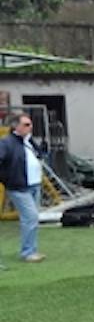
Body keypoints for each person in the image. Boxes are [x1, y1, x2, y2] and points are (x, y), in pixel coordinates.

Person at [0, 112, 44, 262]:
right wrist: (6, 179)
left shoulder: (28, 141)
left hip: (34, 184)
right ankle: (27, 252)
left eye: (30, 124)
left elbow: (40, 155)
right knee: (30, 217)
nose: (30, 127)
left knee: (32, 218)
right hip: (19, 187)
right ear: (15, 126)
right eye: (26, 124)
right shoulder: (7, 143)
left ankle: (32, 249)